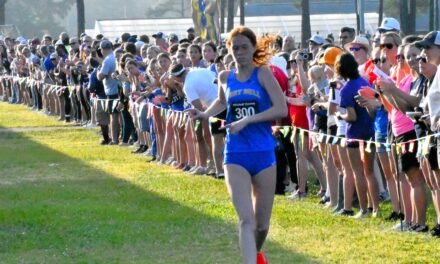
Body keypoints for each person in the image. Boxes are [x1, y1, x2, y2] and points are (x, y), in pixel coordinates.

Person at [185, 26, 287, 264]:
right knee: (246, 220)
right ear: (229, 50)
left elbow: (281, 108)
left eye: (244, 47)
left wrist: (248, 119)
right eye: (235, 48)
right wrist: (204, 114)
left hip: (263, 153)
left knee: (262, 226)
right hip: (235, 154)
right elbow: (221, 102)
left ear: (253, 49)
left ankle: (256, 254)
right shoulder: (224, 77)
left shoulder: (262, 74)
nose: (239, 52)